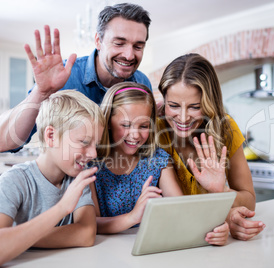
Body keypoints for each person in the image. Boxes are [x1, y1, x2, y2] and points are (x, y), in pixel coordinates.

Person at [0, 90, 105, 266]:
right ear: (51, 136)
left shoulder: (76, 179)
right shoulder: (14, 180)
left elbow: (86, 234)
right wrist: (62, 208)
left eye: (96, 145)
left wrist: (15, 243)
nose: (94, 153)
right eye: (85, 142)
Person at [0, 3, 152, 153]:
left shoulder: (142, 83)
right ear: (98, 41)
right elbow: (4, 144)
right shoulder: (64, 78)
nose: (129, 55)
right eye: (119, 43)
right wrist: (41, 92)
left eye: (138, 46)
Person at [90, 82, 229, 246]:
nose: (135, 135)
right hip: (105, 252)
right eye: (126, 125)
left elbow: (182, 211)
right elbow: (91, 224)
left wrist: (216, 225)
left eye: (143, 126)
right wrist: (132, 217)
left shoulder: (157, 160)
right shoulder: (92, 164)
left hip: (150, 248)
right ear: (107, 123)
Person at [156, 53, 265, 241]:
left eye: (194, 107)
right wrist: (226, 216)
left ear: (210, 104)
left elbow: (249, 201)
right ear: (164, 100)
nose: (182, 118)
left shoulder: (226, 128)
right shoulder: (155, 129)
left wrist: (221, 191)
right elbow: (171, 207)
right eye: (173, 105)